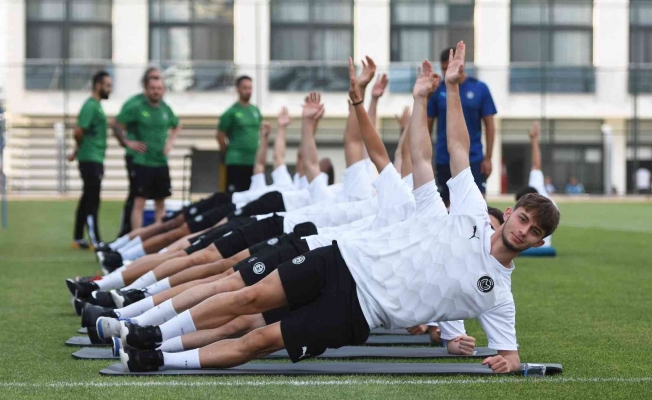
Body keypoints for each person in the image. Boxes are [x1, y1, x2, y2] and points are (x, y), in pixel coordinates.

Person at [117, 42, 560, 374]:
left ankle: (155, 358)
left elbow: (511, 353)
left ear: (539, 242)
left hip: (358, 313)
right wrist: (442, 91)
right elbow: (440, 152)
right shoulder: (457, 209)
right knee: (245, 295)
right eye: (523, 218)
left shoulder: (498, 294)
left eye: (534, 232)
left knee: (261, 337)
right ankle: (151, 331)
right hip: (342, 260)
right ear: (515, 210)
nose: (523, 230)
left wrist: (509, 363)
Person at [427, 47, 497, 206]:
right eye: (444, 68)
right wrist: (428, 159)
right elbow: (427, 126)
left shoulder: (480, 89)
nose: (446, 72)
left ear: (461, 65)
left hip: (474, 157)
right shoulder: (437, 90)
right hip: (444, 158)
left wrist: (488, 158)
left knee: (477, 203)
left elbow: (490, 126)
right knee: (446, 206)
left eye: (450, 68)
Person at [114, 77, 181, 231]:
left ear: (163, 90)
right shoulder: (137, 107)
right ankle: (136, 238)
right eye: (153, 88)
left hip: (161, 162)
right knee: (140, 202)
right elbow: (117, 124)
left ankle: (157, 237)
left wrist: (170, 142)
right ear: (146, 90)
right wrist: (127, 142)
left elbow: (177, 126)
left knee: (161, 203)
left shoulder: (166, 109)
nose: (156, 91)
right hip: (142, 162)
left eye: (159, 88)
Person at [112, 68, 162, 238]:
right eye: (153, 79)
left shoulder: (161, 106)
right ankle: (126, 234)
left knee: (152, 197)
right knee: (136, 195)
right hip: (137, 157)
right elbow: (116, 123)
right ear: (146, 84)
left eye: (159, 80)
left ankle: (137, 234)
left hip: (155, 160)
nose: (156, 85)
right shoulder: (135, 104)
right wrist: (127, 143)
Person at [69, 71, 112, 250]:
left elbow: (83, 134)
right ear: (98, 85)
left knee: (87, 197)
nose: (110, 89)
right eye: (107, 85)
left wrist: (75, 151)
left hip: (92, 157)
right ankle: (96, 240)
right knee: (92, 199)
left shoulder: (97, 106)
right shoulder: (91, 106)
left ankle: (78, 238)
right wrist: (81, 149)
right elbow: (78, 131)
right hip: (91, 159)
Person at [217, 76, 268, 193]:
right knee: (234, 196)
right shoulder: (231, 112)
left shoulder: (255, 110)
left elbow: (259, 131)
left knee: (253, 196)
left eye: (250, 88)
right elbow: (220, 135)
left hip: (253, 161)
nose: (248, 91)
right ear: (238, 89)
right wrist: (226, 152)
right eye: (245, 88)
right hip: (236, 161)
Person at [514, 122, 557, 247]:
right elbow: (536, 164)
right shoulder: (536, 188)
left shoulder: (548, 207)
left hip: (537, 247)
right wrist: (534, 140)